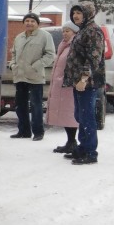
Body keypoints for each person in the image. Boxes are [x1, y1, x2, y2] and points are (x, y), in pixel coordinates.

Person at [62, 2, 105, 165]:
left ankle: (90, 152)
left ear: (88, 13)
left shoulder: (93, 31)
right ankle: (83, 146)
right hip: (78, 81)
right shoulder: (83, 30)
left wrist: (84, 78)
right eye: (74, 13)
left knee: (87, 117)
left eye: (79, 12)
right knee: (79, 115)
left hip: (87, 82)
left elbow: (94, 58)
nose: (76, 16)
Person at [10, 12, 56, 141]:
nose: (29, 23)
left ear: (37, 23)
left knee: (36, 105)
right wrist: (13, 64)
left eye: (32, 21)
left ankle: (38, 132)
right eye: (27, 21)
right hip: (19, 75)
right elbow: (13, 53)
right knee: (20, 105)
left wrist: (36, 65)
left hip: (35, 76)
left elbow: (50, 55)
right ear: (24, 23)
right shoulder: (19, 37)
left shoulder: (45, 36)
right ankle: (24, 131)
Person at [47, 21, 79, 153]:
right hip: (61, 85)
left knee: (70, 114)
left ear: (75, 32)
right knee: (66, 114)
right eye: (63, 31)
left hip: (69, 86)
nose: (64, 33)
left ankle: (73, 142)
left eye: (68, 31)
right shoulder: (64, 45)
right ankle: (70, 141)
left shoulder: (74, 46)